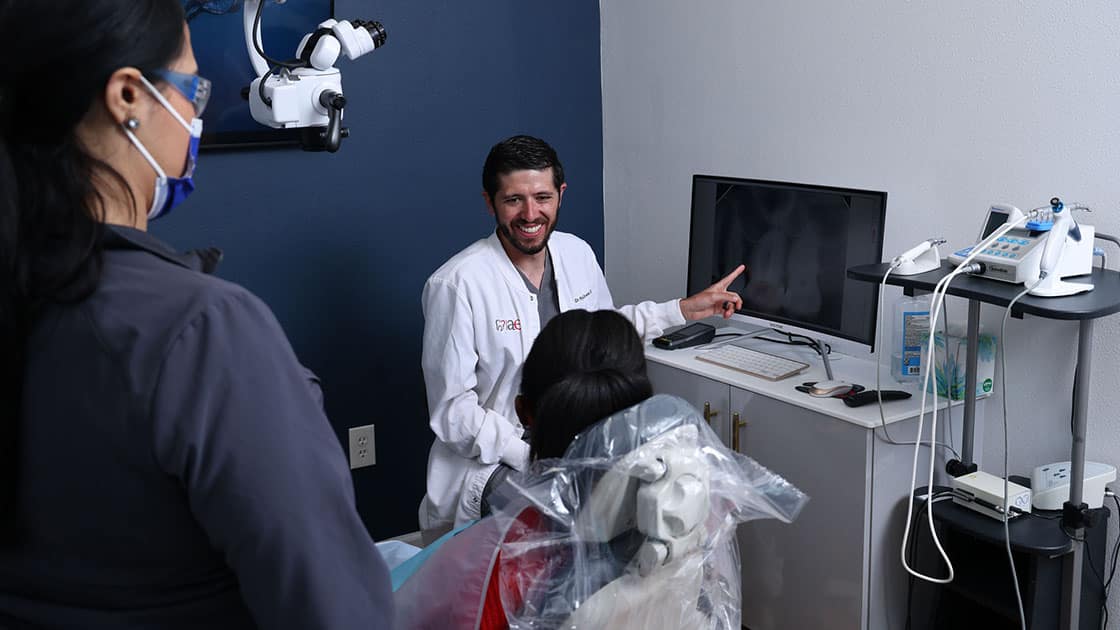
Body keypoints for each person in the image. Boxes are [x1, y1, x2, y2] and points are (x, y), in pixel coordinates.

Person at [0, 2, 392, 628]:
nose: (196, 113)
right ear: (129, 96)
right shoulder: (201, 333)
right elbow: (335, 610)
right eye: (192, 87)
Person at [419, 134, 745, 535]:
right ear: (490, 202)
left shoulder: (576, 253)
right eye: (513, 200)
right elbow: (453, 411)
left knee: (672, 498)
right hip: (495, 460)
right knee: (570, 525)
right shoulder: (456, 284)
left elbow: (603, 337)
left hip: (580, 442)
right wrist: (534, 454)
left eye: (542, 197)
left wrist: (682, 309)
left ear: (561, 194)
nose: (530, 213)